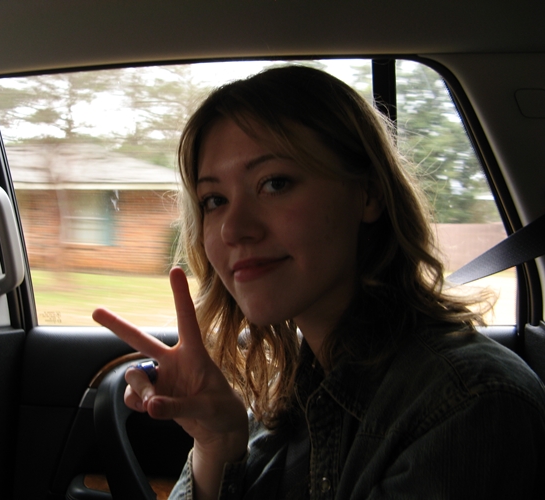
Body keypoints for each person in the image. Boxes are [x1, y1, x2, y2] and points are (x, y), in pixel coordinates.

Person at [93, 66, 545, 499]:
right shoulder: (295, 382)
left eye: (274, 183)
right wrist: (216, 444)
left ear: (368, 193)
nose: (233, 229)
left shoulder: (469, 405)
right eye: (214, 200)